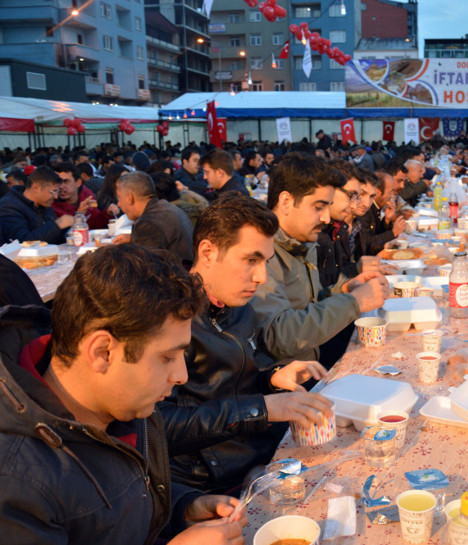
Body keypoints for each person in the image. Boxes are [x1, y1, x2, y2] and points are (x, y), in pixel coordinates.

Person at [0, 244, 246, 545]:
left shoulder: (122, 401)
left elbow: (122, 495)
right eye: (167, 358)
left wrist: (182, 507)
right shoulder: (16, 482)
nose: (180, 376)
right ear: (102, 352)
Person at [159, 193, 332, 492]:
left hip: (255, 454)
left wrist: (275, 376)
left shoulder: (237, 307)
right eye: (251, 260)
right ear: (208, 252)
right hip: (206, 483)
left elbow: (242, 378)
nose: (262, 277)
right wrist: (262, 408)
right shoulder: (168, 319)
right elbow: (160, 426)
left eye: (265, 261)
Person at [253, 153, 390, 365]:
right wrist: (354, 302)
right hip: (284, 381)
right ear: (286, 202)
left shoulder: (300, 243)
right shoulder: (261, 252)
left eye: (328, 207)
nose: (326, 218)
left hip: (311, 359)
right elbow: (279, 336)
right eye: (318, 207)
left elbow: (309, 304)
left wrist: (344, 290)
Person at [113, 171, 194, 266]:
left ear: (129, 198)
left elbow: (145, 270)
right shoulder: (167, 207)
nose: (118, 204)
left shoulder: (148, 224)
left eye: (119, 198)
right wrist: (133, 238)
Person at [0, 165, 72, 244]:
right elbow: (21, 243)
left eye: (57, 192)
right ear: (36, 188)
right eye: (53, 192)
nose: (56, 197)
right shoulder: (9, 207)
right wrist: (57, 225)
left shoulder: (44, 203)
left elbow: (52, 237)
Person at [52, 162, 111, 229]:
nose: (61, 186)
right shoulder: (51, 203)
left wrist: (107, 214)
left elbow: (96, 223)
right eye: (58, 182)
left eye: (66, 181)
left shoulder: (87, 195)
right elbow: (60, 235)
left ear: (78, 183)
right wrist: (79, 215)